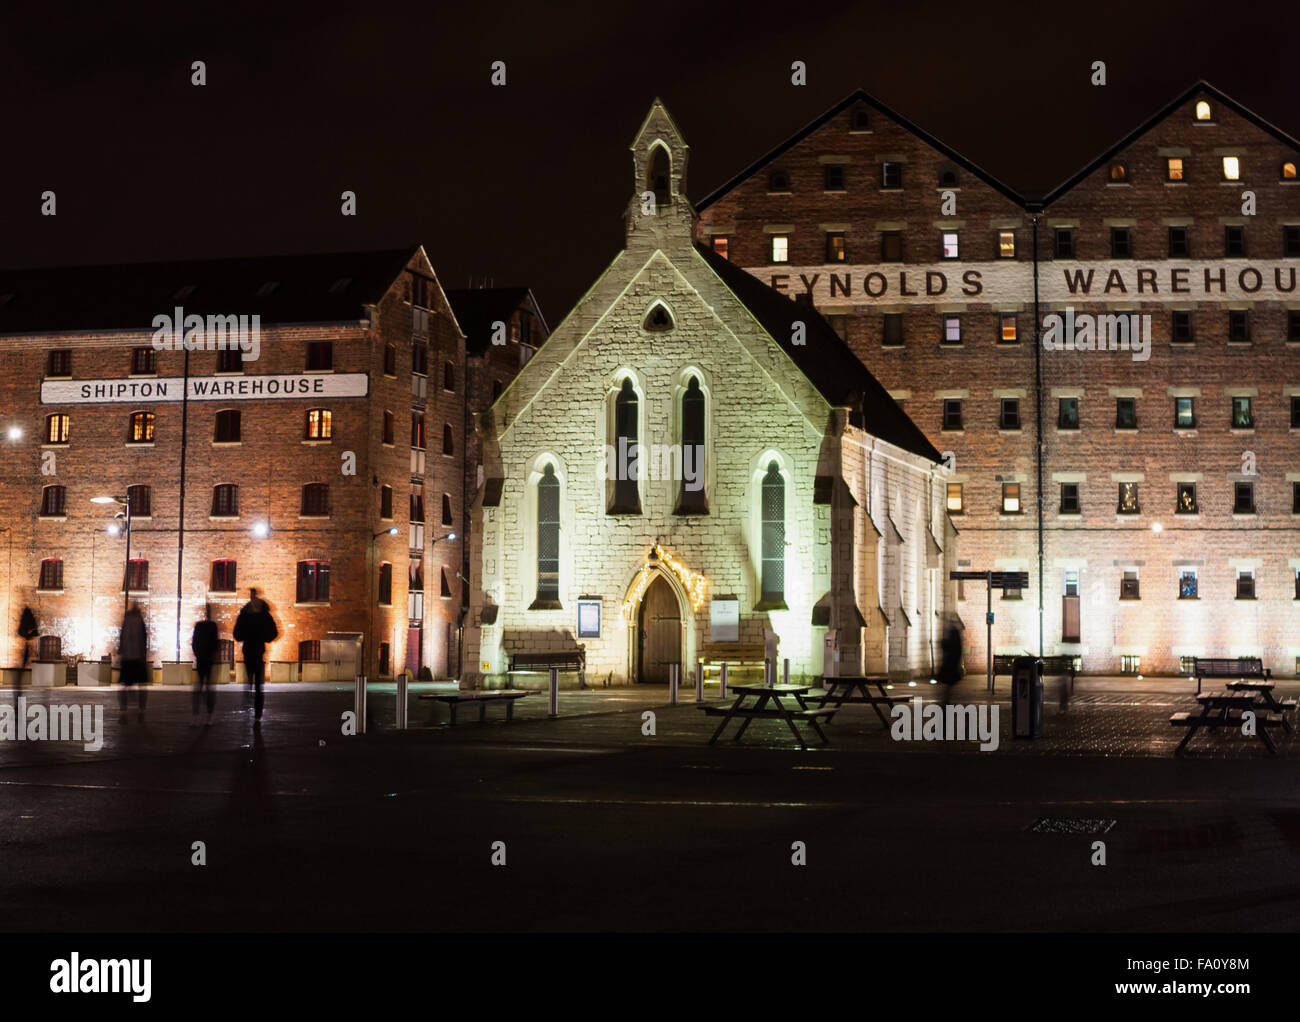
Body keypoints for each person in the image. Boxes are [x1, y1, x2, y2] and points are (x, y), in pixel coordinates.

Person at [233, 588, 278, 722]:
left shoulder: (253, 615)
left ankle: (256, 711)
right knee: (253, 683)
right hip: (252, 651)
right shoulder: (252, 615)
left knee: (256, 683)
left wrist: (262, 637)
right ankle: (253, 708)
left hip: (256, 651)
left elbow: (272, 633)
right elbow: (237, 634)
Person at [118, 603, 148, 721]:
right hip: (138, 658)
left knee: (124, 686)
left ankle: (123, 712)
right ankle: (141, 711)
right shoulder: (140, 622)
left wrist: (121, 654)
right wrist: (143, 655)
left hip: (127, 658)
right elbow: (144, 639)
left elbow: (121, 639)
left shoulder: (126, 621)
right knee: (142, 686)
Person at [191, 603, 219, 723]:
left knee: (200, 688)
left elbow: (194, 642)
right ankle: (208, 715)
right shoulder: (212, 626)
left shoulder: (200, 626)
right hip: (206, 660)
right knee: (207, 688)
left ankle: (198, 716)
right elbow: (215, 644)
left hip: (202, 659)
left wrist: (198, 655)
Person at [937, 613, 963, 735]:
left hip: (949, 672)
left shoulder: (953, 635)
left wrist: (942, 642)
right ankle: (943, 725)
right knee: (946, 699)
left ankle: (943, 726)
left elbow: (948, 648)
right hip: (951, 672)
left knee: (946, 700)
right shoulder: (956, 635)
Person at [15, 605, 38, 709]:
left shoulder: (25, 622)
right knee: (19, 678)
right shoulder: (29, 622)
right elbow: (34, 632)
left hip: (25, 649)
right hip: (26, 648)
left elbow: (21, 632)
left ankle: (18, 700)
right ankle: (18, 700)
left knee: (19, 678)